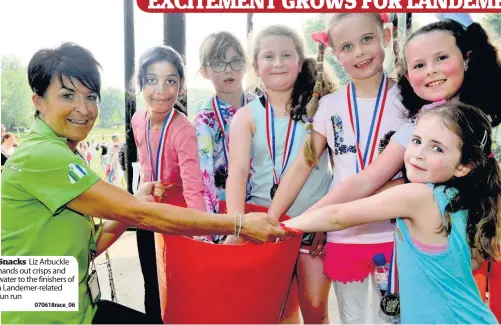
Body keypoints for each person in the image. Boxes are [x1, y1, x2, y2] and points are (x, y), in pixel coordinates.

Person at [0, 42, 286, 325]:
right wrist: (238, 224)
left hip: (75, 308)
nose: (83, 109)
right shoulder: (42, 155)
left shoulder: (60, 151)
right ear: (38, 101)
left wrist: (135, 203)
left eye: (91, 97)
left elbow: (94, 243)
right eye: (67, 95)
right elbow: (139, 215)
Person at [285, 102, 500, 324]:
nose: (418, 154)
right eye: (416, 141)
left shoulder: (418, 196)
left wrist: (286, 227)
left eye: (437, 148)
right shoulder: (460, 201)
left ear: (464, 166)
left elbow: (337, 216)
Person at [298, 18, 501, 251]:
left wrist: (309, 220)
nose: (431, 70)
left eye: (442, 58)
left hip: (468, 249)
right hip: (425, 251)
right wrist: (314, 219)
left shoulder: (476, 122)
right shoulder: (418, 124)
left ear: (466, 58)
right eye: (419, 65)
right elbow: (368, 181)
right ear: (408, 74)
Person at [268, 13, 405, 324]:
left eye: (367, 39)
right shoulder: (330, 106)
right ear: (333, 52)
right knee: (352, 319)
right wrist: (272, 218)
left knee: (393, 319)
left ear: (385, 36)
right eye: (347, 46)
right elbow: (303, 165)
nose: (359, 52)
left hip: (397, 233)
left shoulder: (410, 100)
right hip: (345, 236)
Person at [225, 25, 335, 323]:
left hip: (312, 226)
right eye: (268, 56)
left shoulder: (319, 110)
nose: (277, 63)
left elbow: (337, 171)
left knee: (314, 309)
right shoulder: (246, 116)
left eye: (287, 55)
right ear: (256, 66)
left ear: (300, 63)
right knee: (279, 310)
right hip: (264, 227)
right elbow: (236, 174)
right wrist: (238, 226)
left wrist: (328, 219)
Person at [130, 45, 208, 323]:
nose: (161, 89)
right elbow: (146, 163)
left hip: (176, 220)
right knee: (151, 283)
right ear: (140, 83)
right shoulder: (137, 119)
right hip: (146, 214)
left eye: (170, 80)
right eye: (151, 79)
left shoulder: (183, 129)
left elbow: (193, 185)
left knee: (177, 288)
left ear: (181, 86)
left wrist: (200, 232)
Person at [194, 31, 255, 216]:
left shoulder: (262, 108)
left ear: (245, 65)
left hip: (263, 208)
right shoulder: (204, 120)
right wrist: (212, 229)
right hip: (225, 216)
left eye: (236, 61)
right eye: (219, 63)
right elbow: (205, 181)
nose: (228, 70)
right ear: (205, 71)